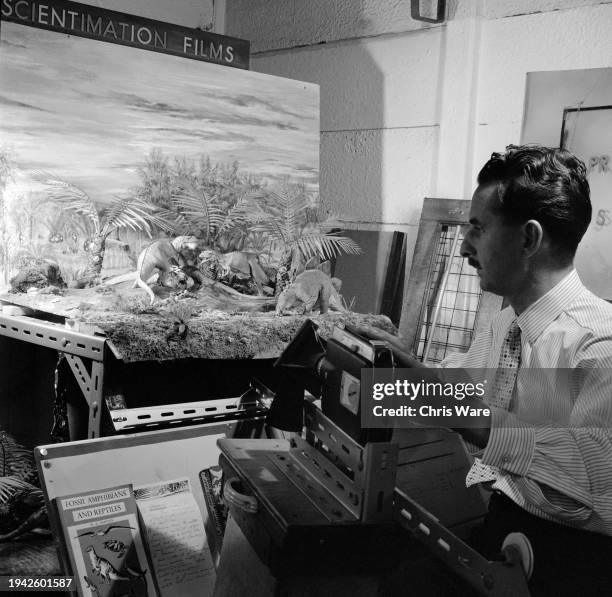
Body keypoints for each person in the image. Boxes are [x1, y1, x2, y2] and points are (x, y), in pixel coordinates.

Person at [363, 145, 612, 595]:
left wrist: (473, 419)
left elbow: (600, 467)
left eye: (478, 230)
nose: (463, 247)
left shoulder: (600, 344)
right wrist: (394, 374)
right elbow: (466, 388)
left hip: (572, 565)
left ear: (528, 239)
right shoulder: (506, 323)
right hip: (496, 528)